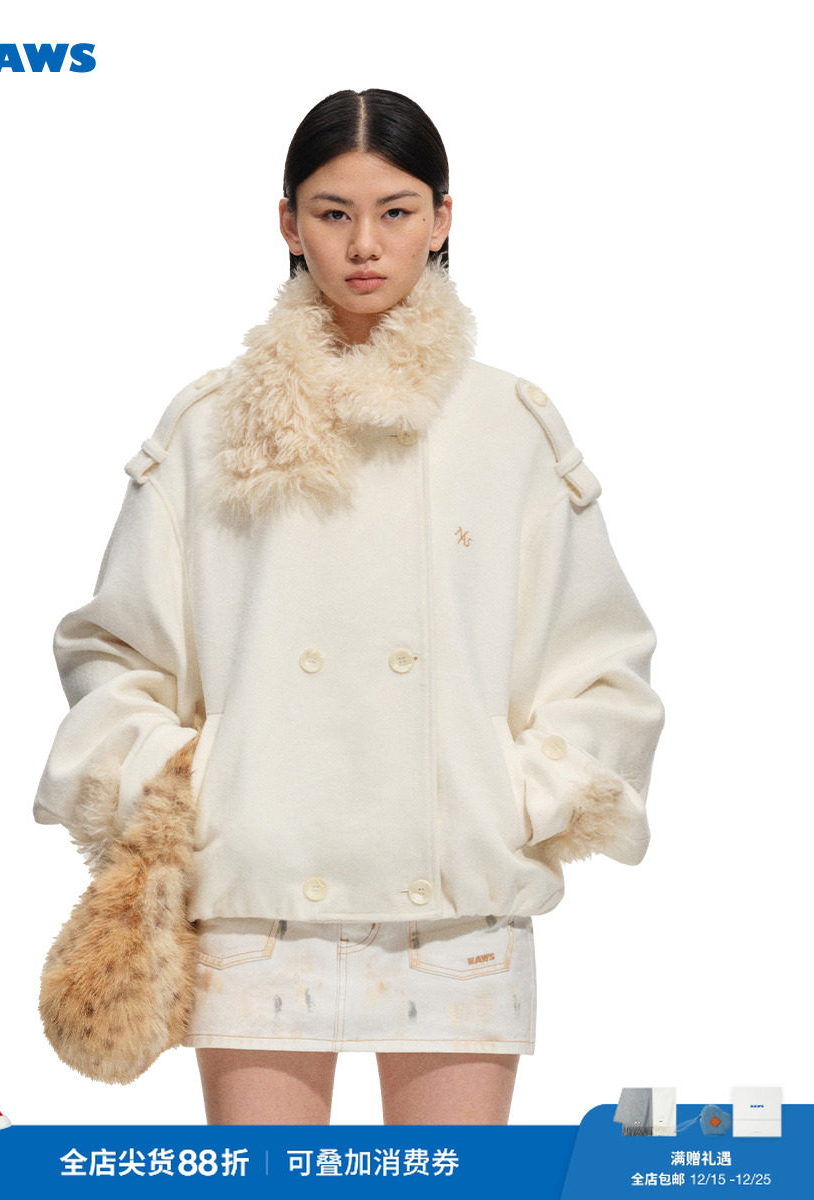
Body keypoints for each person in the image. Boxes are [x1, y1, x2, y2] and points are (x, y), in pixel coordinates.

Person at [34, 88, 664, 1125]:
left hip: (456, 906)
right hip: (256, 900)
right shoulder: (211, 425)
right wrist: (194, 781)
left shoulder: (510, 427)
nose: (365, 244)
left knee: (454, 1191)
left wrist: (512, 796)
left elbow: (600, 660)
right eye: (333, 212)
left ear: (443, 219)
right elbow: (116, 647)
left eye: (396, 210)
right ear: (288, 223)